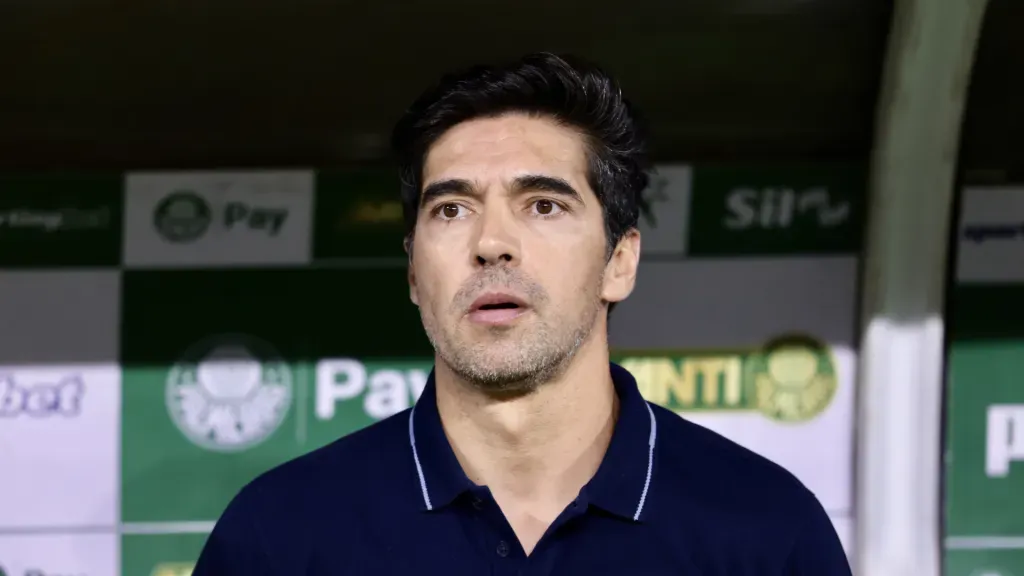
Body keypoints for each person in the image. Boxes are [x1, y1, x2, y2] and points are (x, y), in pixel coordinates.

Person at [192, 52, 852, 575]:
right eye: (450, 209)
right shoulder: (278, 534)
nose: (490, 243)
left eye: (543, 205)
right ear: (414, 272)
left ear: (619, 262)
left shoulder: (765, 529)